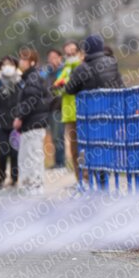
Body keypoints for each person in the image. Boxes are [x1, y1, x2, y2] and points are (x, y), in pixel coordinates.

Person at [63, 35, 124, 184]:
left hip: (88, 117)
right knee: (104, 146)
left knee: (83, 148)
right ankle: (103, 178)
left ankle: (85, 179)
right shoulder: (112, 63)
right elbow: (120, 85)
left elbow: (69, 89)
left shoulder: (82, 68)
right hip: (109, 114)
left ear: (85, 50)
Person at [13, 48, 50, 195]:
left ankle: (36, 186)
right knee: (26, 156)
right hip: (31, 124)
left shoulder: (32, 78)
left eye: (24, 59)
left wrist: (19, 117)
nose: (21, 62)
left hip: (34, 123)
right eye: (21, 58)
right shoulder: (28, 78)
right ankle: (30, 185)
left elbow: (31, 100)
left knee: (33, 156)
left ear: (32, 62)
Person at [0, 56, 22, 190]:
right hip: (1, 124)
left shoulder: (20, 82)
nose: (7, 66)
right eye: (4, 64)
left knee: (15, 153)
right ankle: (1, 176)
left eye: (10, 64)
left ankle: (14, 178)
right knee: (3, 153)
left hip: (16, 124)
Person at [53, 41, 84, 179]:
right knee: (74, 149)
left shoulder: (83, 67)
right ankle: (79, 179)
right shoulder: (65, 69)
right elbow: (56, 89)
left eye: (73, 52)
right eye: (68, 54)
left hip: (83, 112)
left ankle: (87, 177)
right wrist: (59, 87)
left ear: (80, 53)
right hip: (69, 114)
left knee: (85, 147)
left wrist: (65, 85)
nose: (71, 55)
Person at [45, 49, 65, 169]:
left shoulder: (63, 72)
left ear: (60, 58)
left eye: (54, 57)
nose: (52, 60)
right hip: (50, 108)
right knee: (53, 136)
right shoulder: (47, 73)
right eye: (50, 57)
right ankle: (57, 161)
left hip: (59, 107)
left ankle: (61, 162)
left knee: (59, 135)